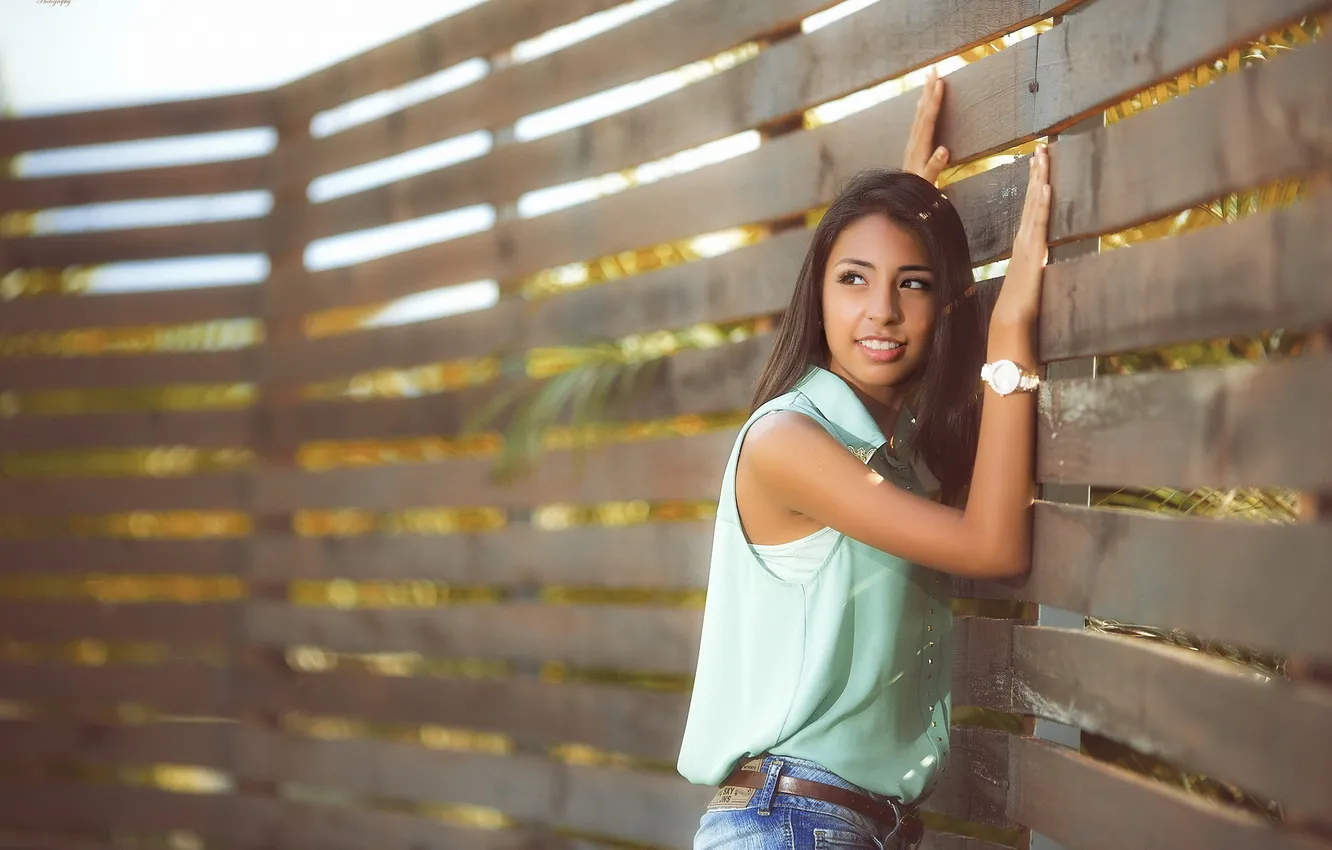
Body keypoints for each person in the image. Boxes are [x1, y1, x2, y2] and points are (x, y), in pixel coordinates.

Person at [677, 68, 1052, 849]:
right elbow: (992, 545)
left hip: (844, 825)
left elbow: (903, 388)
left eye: (910, 285)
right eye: (853, 279)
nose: (881, 309)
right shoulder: (786, 442)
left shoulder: (888, 454)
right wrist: (1009, 334)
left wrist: (907, 213)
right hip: (789, 823)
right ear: (817, 293)